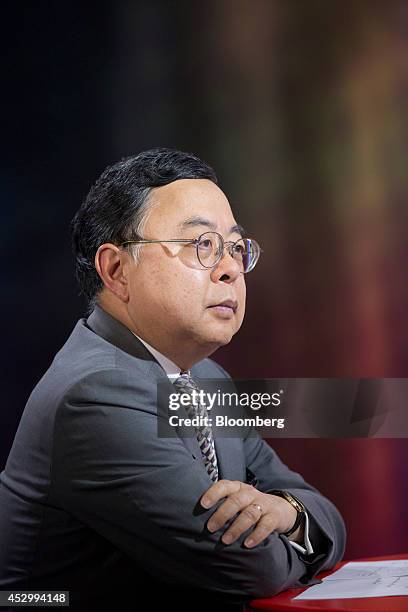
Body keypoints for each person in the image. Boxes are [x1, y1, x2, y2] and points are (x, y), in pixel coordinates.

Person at [0, 148, 346, 611]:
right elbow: (248, 567)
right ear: (117, 270)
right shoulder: (96, 396)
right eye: (202, 245)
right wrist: (290, 538)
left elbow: (324, 512)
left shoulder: (206, 378)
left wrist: (289, 513)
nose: (229, 269)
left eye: (235, 248)